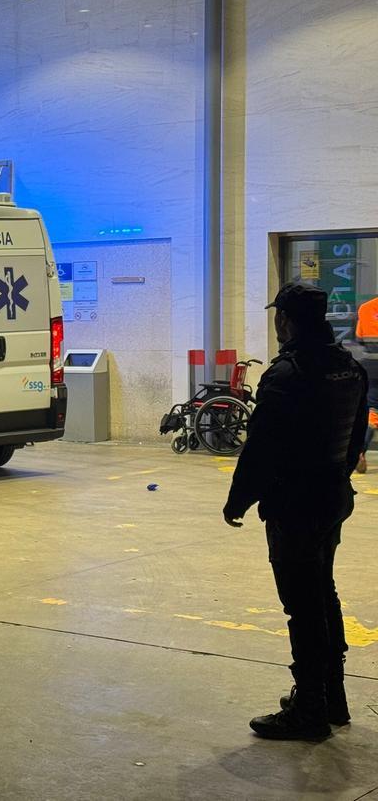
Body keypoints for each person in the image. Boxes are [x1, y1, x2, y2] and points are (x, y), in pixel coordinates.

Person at [223, 283, 369, 740]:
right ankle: (332, 698)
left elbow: (261, 449)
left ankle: (309, 710)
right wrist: (338, 475)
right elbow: (357, 435)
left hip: (296, 504)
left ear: (285, 319)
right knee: (323, 594)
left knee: (302, 607)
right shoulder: (348, 367)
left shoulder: (286, 375)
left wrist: (238, 500)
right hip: (332, 497)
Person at [354, 294, 378, 474]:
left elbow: (359, 337)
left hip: (371, 365)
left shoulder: (365, 308)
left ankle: (360, 450)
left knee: (372, 411)